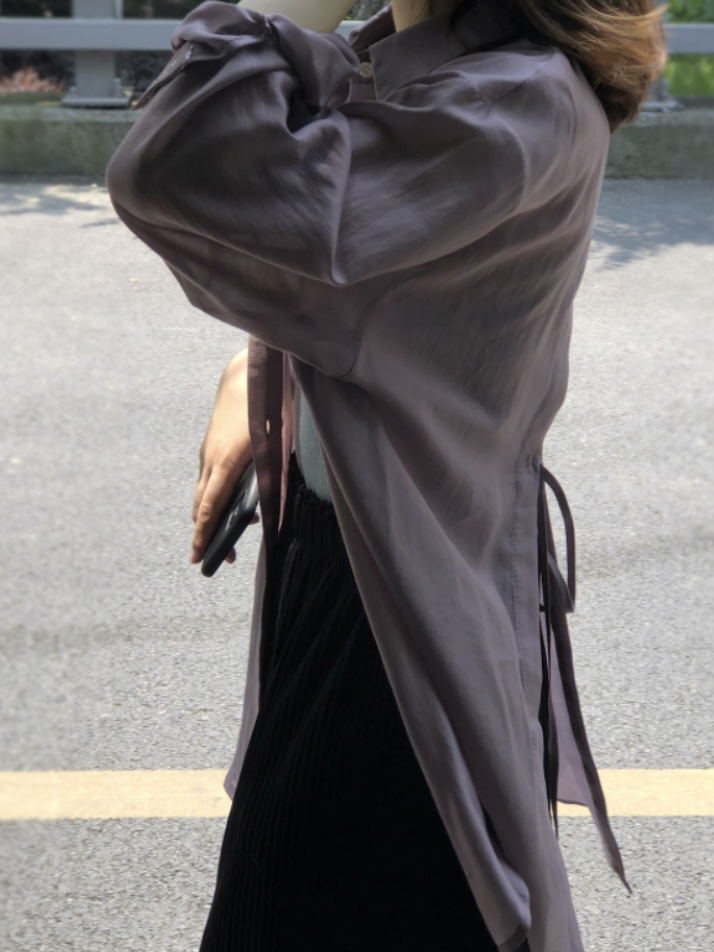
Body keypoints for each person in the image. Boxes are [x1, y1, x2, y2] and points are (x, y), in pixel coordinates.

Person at [106, 0, 665, 949]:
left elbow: (176, 166)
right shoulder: (418, 62)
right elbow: (364, 282)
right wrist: (261, 363)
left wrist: (277, 8)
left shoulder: (513, 100)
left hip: (400, 634)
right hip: (363, 581)